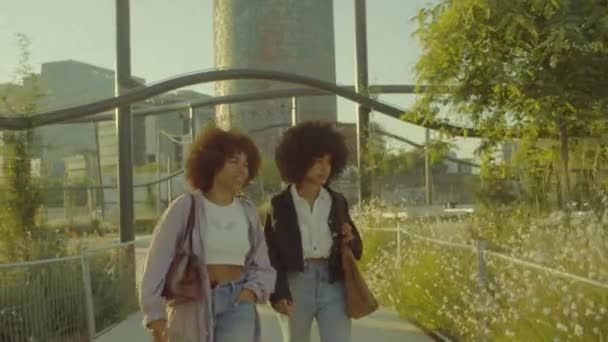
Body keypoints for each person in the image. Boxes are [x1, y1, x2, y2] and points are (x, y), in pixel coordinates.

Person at [139, 126, 276, 342]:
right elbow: (156, 263)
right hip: (192, 304)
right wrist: (155, 315)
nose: (242, 170)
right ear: (212, 163)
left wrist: (250, 292)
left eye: (246, 164)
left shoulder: (248, 212)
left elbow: (263, 265)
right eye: (234, 161)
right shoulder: (185, 207)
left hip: (238, 303)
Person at [264, 120, 363, 342]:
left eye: (328, 162)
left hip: (333, 283)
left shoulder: (337, 201)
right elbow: (272, 254)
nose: (324, 168)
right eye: (317, 161)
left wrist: (351, 238)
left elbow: (357, 249)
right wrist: (278, 292)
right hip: (296, 284)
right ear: (298, 161)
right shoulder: (280, 204)